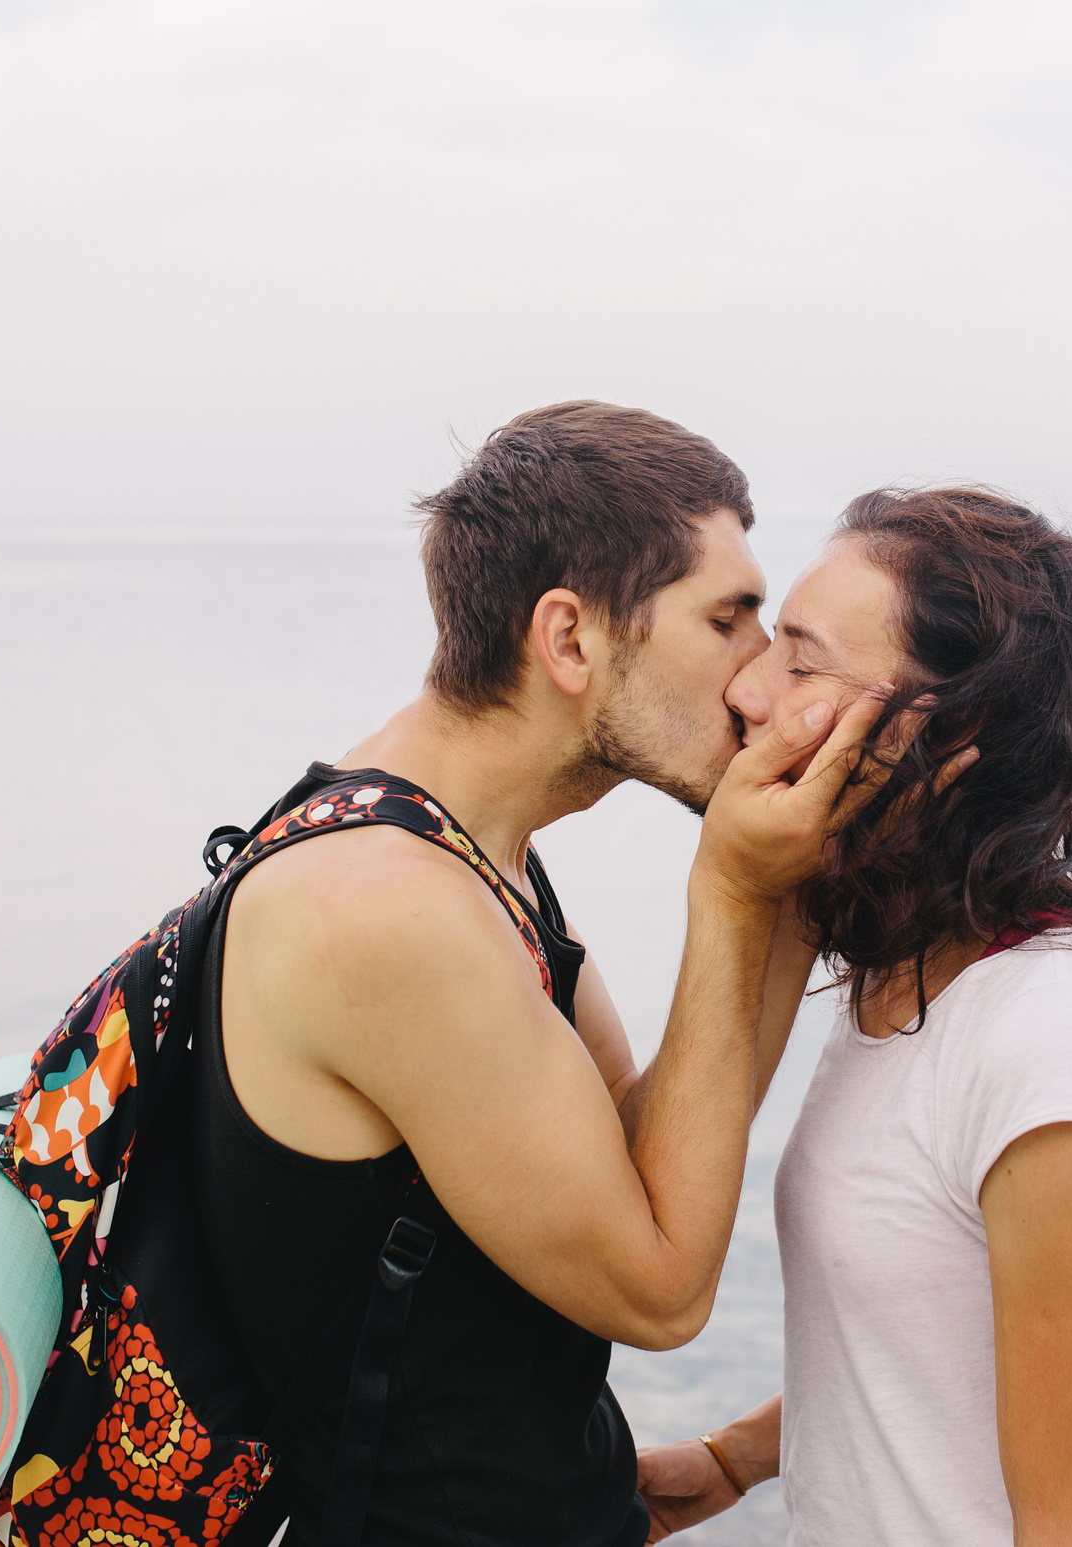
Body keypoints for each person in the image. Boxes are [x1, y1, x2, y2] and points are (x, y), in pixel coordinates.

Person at [154, 402, 883, 1546]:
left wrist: (789, 883)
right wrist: (733, 893)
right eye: (728, 619)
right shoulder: (384, 910)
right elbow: (659, 1290)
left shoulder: (457, 845)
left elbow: (646, 1161)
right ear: (571, 639)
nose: (758, 684)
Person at [636, 487, 1072, 1547]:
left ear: (949, 728)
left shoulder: (1045, 1040)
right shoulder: (909, 967)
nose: (746, 689)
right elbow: (942, 1339)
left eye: (800, 660)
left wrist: (734, 890)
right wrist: (735, 1461)